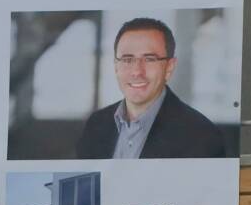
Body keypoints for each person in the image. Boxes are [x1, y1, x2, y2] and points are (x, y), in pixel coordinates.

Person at [75, 17, 226, 160]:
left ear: (169, 67)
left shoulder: (202, 136)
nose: (137, 72)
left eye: (149, 59)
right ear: (116, 66)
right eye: (127, 59)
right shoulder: (96, 125)